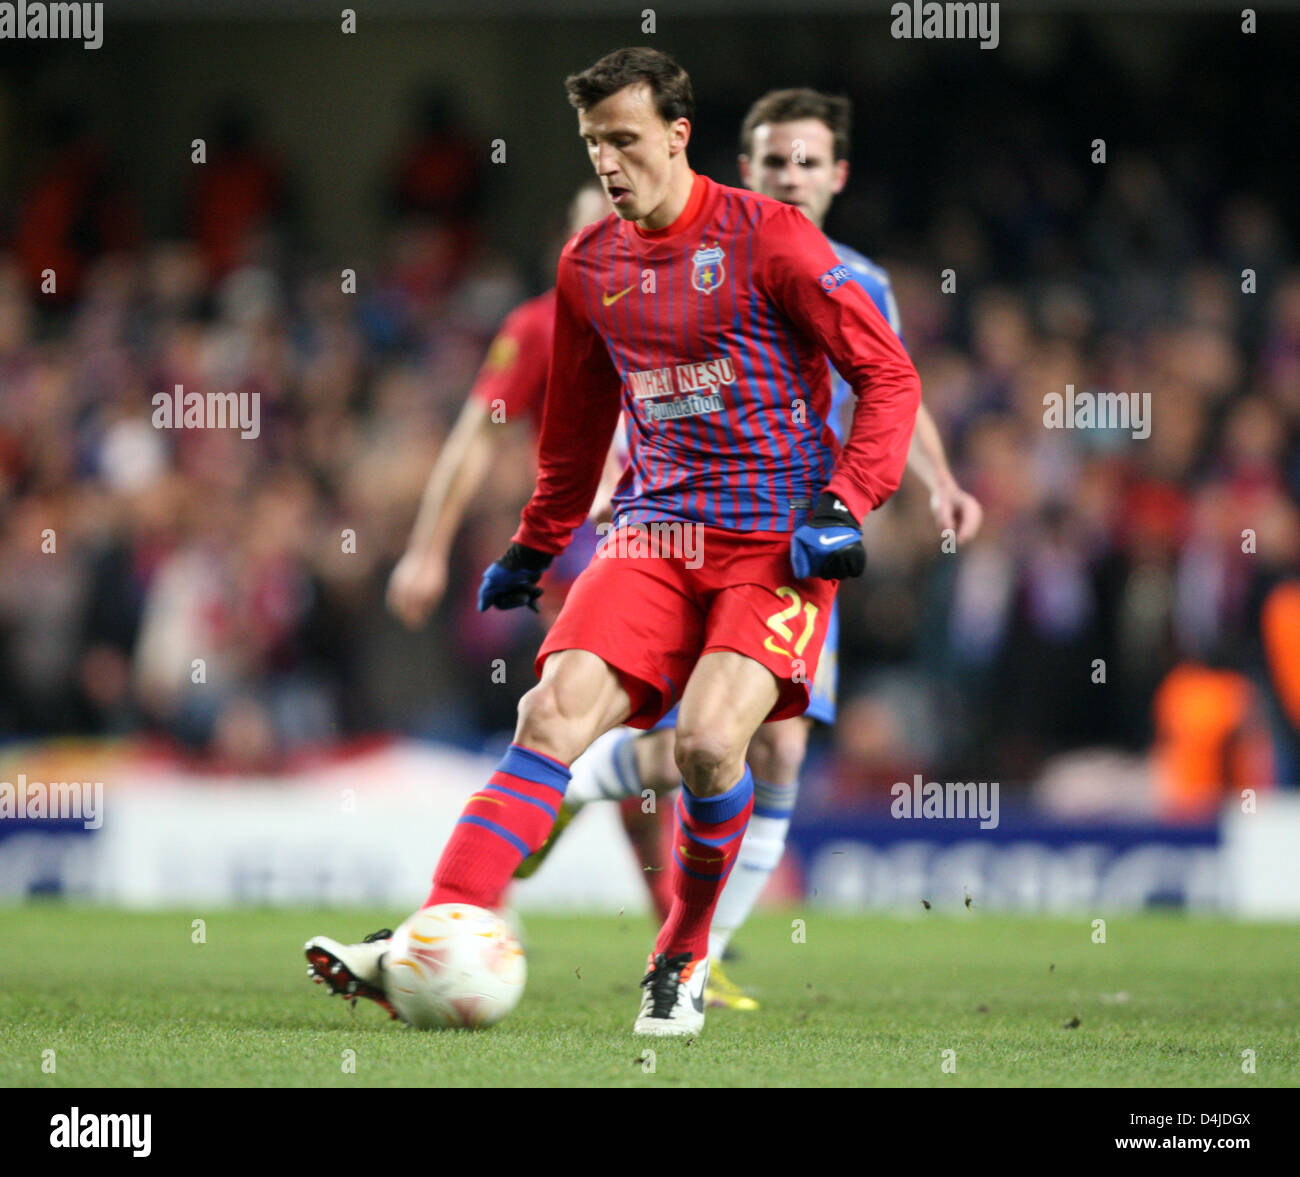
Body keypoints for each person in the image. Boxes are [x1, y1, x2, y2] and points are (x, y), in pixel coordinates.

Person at [307, 46, 921, 1037]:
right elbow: (577, 428)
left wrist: (848, 499)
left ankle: (678, 957)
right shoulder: (588, 265)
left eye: (626, 140)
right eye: (596, 144)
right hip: (652, 533)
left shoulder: (772, 240)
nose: (610, 164)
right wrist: (535, 542)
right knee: (548, 715)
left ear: (678, 136)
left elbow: (890, 376)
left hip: (775, 545)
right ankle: (432, 934)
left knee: (718, 748)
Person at [515, 88, 983, 1012]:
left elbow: (894, 382)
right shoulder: (717, 250)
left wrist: (939, 481)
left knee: (773, 753)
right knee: (716, 739)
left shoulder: (857, 276)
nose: (791, 177)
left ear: (839, 175)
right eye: (775, 161)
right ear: (746, 163)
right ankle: (666, 918)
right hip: (708, 527)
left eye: (809, 162)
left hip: (815, 537)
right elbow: (649, 377)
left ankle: (690, 942)